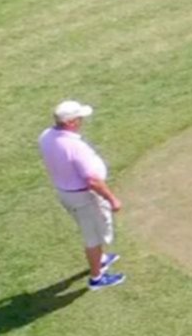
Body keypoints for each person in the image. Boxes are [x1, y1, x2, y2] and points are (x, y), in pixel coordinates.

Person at [37, 100, 126, 289]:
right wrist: (112, 199)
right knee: (92, 236)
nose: (81, 121)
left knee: (93, 229)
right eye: (78, 119)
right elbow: (92, 180)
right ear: (70, 122)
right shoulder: (74, 146)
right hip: (82, 197)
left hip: (66, 193)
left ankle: (100, 259)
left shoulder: (46, 136)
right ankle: (96, 278)